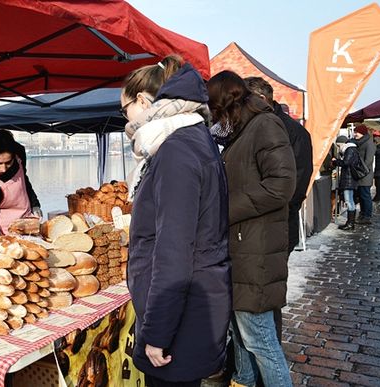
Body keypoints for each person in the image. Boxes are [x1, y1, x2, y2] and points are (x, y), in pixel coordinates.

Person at [122, 54, 231, 387]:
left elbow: (174, 251)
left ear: (143, 100)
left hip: (182, 322)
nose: (125, 118)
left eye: (124, 109)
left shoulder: (176, 151)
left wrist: (156, 332)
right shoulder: (193, 140)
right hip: (193, 310)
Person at [207, 70, 295, 387]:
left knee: (261, 343)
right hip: (240, 249)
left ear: (229, 106)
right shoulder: (242, 132)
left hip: (254, 250)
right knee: (242, 338)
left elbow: (281, 185)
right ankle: (242, 382)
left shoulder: (264, 125)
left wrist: (223, 209)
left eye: (216, 113)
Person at [244, 77, 313, 253]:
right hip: (251, 225)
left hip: (275, 224)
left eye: (244, 100)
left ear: (260, 98)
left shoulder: (293, 132)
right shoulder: (249, 126)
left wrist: (277, 212)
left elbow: (299, 179)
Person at [333, 135, 361, 230]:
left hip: (348, 180)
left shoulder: (349, 149)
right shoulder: (352, 149)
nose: (339, 147)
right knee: (350, 201)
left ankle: (350, 224)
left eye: (339, 145)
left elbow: (346, 163)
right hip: (350, 179)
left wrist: (336, 161)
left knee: (349, 201)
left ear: (342, 143)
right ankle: (350, 223)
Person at [352, 125, 375, 224]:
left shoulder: (369, 143)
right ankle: (363, 213)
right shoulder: (360, 142)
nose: (355, 134)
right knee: (361, 196)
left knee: (365, 196)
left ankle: (367, 216)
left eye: (356, 132)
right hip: (360, 174)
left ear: (362, 133)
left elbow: (368, 161)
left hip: (365, 175)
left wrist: (360, 171)